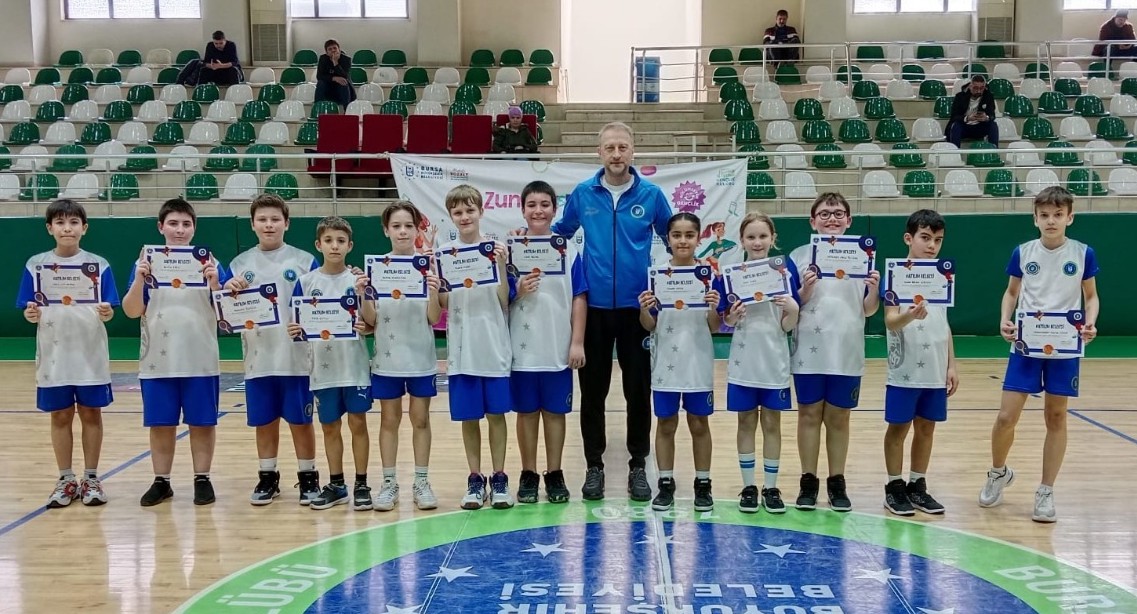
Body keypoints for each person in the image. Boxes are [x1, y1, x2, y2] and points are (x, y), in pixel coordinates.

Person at [550, 121, 672, 503]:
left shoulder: (652, 195)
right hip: (595, 310)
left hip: (638, 311)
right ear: (599, 152)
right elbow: (560, 234)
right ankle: (594, 467)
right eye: (609, 148)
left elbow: (675, 238)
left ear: (633, 151)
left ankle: (638, 466)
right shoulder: (583, 194)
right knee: (593, 393)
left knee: (638, 392)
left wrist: (689, 275)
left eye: (622, 147)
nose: (616, 154)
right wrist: (528, 244)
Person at [979, 187, 1099, 523]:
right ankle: (998, 472)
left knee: (1056, 417)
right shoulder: (1023, 252)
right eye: (1044, 215)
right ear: (1035, 218)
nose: (1051, 221)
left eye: (1058, 215)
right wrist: (1005, 318)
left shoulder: (1083, 253)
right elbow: (1011, 292)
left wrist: (1090, 322)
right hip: (1026, 345)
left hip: (1065, 347)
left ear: (1070, 217)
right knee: (1006, 417)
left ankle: (1046, 490)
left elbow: (1091, 297)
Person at [122, 198, 229, 507]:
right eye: (173, 223)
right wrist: (139, 279)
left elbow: (225, 315)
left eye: (186, 224)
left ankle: (202, 478)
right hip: (158, 360)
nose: (180, 230)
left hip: (200, 359)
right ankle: (162, 481)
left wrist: (215, 284)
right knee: (161, 423)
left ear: (194, 228)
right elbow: (131, 310)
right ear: (161, 227)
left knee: (202, 423)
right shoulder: (145, 262)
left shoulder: (210, 262)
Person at [18, 199, 119, 509]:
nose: (67, 228)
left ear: (84, 228)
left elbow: (109, 308)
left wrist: (107, 312)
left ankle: (91, 478)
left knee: (91, 414)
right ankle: (65, 479)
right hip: (54, 356)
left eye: (74, 222)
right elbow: (29, 307)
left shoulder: (99, 265)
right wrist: (30, 315)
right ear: (49, 228)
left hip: (90, 355)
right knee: (60, 415)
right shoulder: (35, 265)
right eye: (60, 222)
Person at [224, 194, 321, 506]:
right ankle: (268, 477)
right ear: (252, 224)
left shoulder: (305, 261)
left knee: (301, 421)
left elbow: (318, 303)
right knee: (264, 421)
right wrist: (229, 291)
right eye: (262, 220)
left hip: (296, 358)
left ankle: (308, 476)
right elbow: (226, 312)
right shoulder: (239, 265)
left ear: (287, 223)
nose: (269, 225)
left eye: (275, 219)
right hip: (258, 358)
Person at [789, 192, 880, 512]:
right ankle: (808, 480)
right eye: (825, 214)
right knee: (809, 414)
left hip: (847, 349)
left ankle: (837, 481)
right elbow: (791, 304)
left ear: (849, 220)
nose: (832, 219)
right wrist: (806, 288)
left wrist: (873, 289)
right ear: (812, 221)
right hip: (808, 350)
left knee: (839, 417)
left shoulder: (863, 255)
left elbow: (868, 310)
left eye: (838, 213)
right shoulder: (798, 256)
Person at [638, 212, 723, 512]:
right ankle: (665, 483)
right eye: (677, 235)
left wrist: (714, 307)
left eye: (689, 235)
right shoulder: (657, 275)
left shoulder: (710, 276)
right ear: (668, 239)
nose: (683, 241)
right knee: (666, 423)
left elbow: (714, 326)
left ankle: (703, 483)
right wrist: (644, 309)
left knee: (699, 423)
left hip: (698, 361)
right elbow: (649, 325)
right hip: (666, 363)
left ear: (699, 238)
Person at [509, 181, 587, 504]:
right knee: (526, 413)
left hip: (557, 346)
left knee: (555, 413)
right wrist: (517, 289)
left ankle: (555, 473)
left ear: (555, 210)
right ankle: (528, 473)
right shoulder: (510, 249)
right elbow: (501, 295)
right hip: (522, 348)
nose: (538, 210)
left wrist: (577, 341)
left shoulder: (568, 250)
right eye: (531, 204)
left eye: (544, 204)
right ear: (522, 209)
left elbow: (579, 296)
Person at [289, 216, 374, 512]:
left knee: (358, 423)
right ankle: (337, 485)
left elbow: (371, 322)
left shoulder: (358, 281)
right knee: (329, 427)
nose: (334, 246)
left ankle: (361, 484)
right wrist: (295, 329)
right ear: (318, 245)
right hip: (323, 369)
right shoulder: (306, 283)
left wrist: (366, 325)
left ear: (350, 245)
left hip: (354, 365)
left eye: (340, 241)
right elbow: (298, 325)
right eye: (328, 240)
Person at [438, 185, 515, 510]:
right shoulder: (444, 254)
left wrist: (501, 266)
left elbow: (504, 300)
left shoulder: (495, 250)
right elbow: (444, 303)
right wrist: (436, 282)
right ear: (451, 216)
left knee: (497, 416)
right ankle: (474, 479)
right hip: (462, 350)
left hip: (493, 347)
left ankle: (499, 477)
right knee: (469, 418)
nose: (464, 216)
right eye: (458, 212)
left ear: (481, 211)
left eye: (470, 210)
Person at [363, 201, 442, 512]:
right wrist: (365, 295)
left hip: (420, 358)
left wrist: (433, 291)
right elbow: (371, 320)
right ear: (386, 230)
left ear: (417, 230)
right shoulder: (376, 268)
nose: (403, 231)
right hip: (387, 360)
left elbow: (433, 318)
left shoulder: (427, 268)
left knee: (420, 420)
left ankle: (421, 482)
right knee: (389, 420)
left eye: (408, 225)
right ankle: (388, 483)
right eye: (396, 226)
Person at [721, 212, 799, 514]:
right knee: (745, 422)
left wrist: (793, 308)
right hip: (744, 361)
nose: (757, 242)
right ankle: (749, 486)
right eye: (751, 237)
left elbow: (788, 324)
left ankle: (771, 486)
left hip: (774, 361)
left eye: (763, 236)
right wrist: (732, 317)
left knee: (771, 423)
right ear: (741, 240)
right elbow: (727, 320)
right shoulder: (731, 274)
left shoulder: (786, 270)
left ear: (773, 238)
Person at [882, 210, 958, 517]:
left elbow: (944, 323)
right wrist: (909, 315)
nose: (932, 246)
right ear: (908, 238)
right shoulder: (895, 275)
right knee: (898, 428)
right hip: (905, 369)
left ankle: (917, 485)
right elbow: (890, 322)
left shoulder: (943, 275)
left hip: (935, 367)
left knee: (926, 428)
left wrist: (952, 364)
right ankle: (894, 486)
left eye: (938, 240)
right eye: (925, 238)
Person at [946, 76, 999, 149]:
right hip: (964, 126)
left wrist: (986, 117)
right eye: (975, 88)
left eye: (981, 88)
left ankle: (994, 151)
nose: (979, 91)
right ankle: (955, 152)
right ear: (970, 86)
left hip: (980, 126)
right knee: (955, 126)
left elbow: (992, 115)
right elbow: (954, 116)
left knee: (993, 125)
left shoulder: (988, 96)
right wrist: (967, 118)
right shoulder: (960, 97)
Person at [315, 39, 356, 109]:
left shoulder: (346, 59)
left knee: (343, 82)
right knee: (320, 83)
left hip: (342, 89)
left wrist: (335, 62)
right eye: (330, 49)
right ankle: (318, 108)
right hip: (328, 87)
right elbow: (319, 76)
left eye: (335, 48)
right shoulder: (323, 59)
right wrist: (334, 78)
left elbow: (345, 76)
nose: (333, 50)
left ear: (339, 50)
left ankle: (347, 110)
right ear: (327, 53)